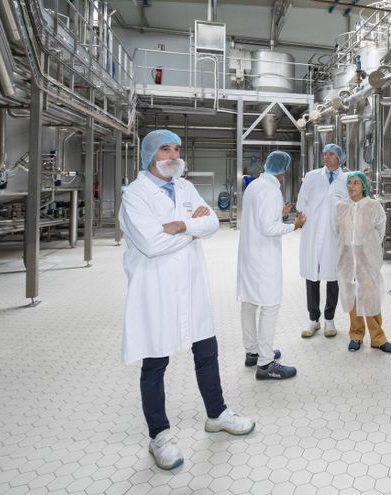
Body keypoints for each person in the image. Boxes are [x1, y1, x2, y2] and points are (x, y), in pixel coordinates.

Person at [120, 129, 254, 471]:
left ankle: (217, 414)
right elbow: (151, 244)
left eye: (176, 149)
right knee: (155, 364)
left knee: (207, 352)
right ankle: (159, 435)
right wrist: (189, 228)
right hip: (156, 289)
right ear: (150, 154)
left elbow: (212, 223)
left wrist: (180, 226)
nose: (173, 156)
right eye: (165, 150)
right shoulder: (135, 195)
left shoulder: (185, 187)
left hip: (192, 286)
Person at [238, 151, 306, 380]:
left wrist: (280, 214)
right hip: (263, 259)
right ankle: (266, 364)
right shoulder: (271, 190)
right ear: (284, 170)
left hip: (249, 254)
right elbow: (269, 228)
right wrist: (293, 225)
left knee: (249, 303)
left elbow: (260, 219)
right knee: (270, 306)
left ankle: (253, 352)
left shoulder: (254, 186)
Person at [334, 171, 391, 353]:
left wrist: (369, 249)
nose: (352, 186)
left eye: (356, 183)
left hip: (367, 259)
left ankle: (378, 338)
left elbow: (380, 230)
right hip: (347, 260)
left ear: (363, 186)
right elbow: (336, 229)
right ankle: (356, 335)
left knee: (370, 296)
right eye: (349, 183)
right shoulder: (340, 206)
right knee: (352, 296)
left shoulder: (373, 206)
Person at [297, 143, 349, 338]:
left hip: (334, 236)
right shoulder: (312, 177)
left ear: (339, 158)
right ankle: (313, 320)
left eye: (331, 154)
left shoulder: (346, 180)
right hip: (312, 233)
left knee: (333, 277)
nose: (326, 157)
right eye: (325, 154)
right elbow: (301, 202)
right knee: (312, 276)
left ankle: (329, 319)